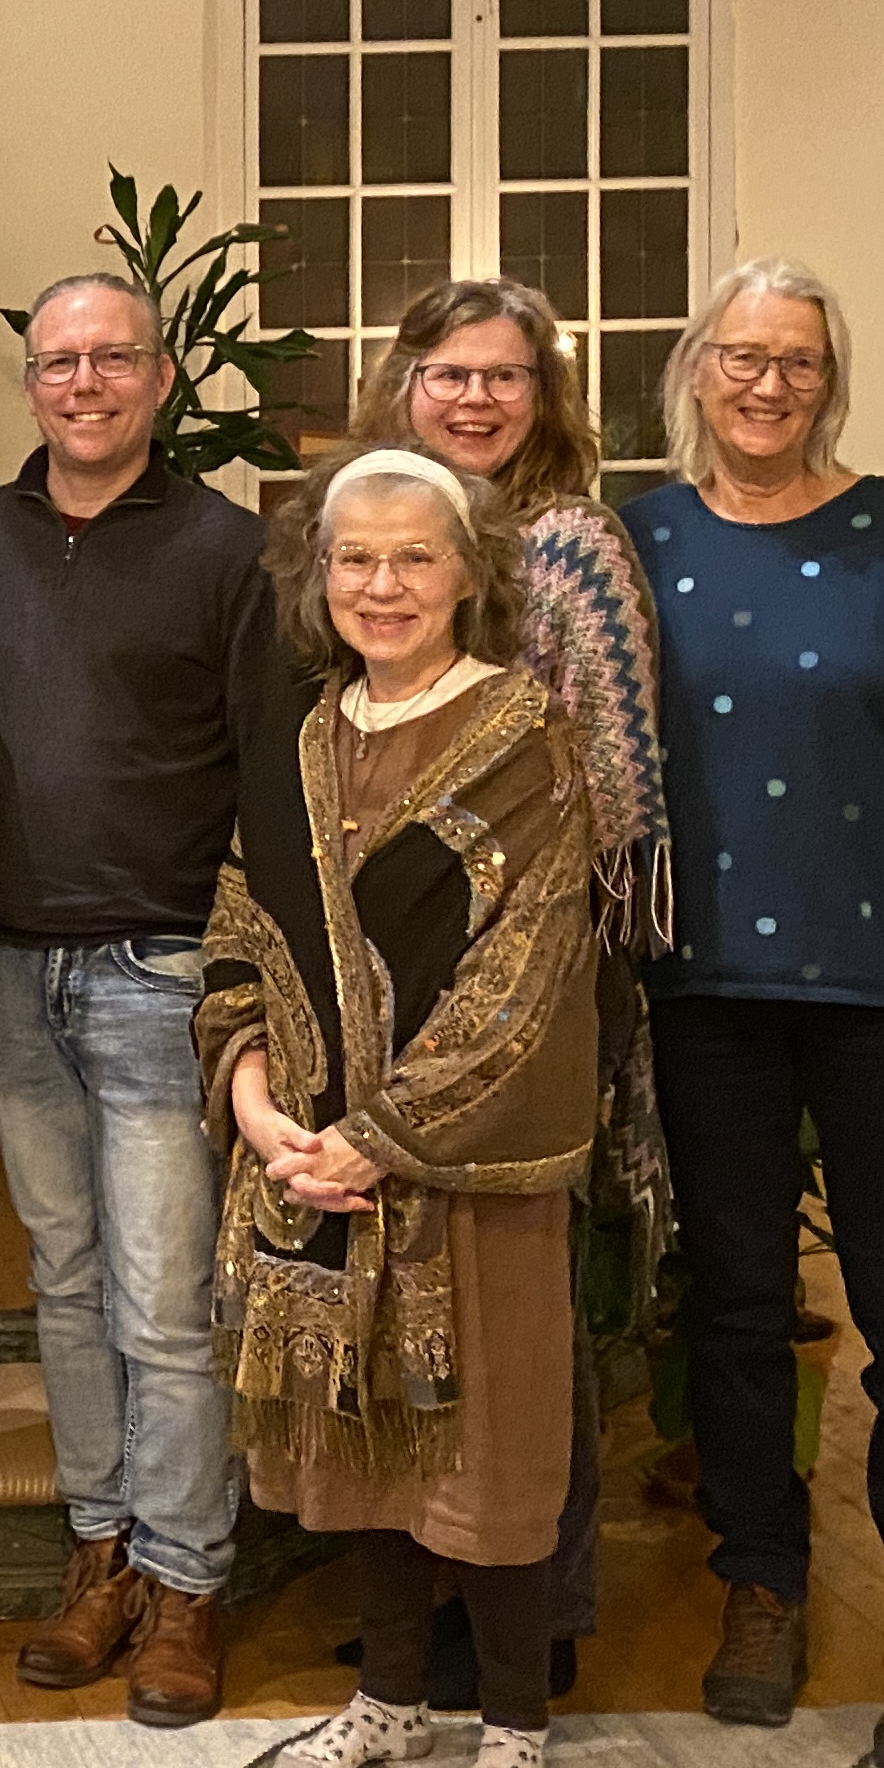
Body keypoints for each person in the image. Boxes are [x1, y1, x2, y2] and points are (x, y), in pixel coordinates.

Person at [629, 259, 884, 1768]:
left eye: (797, 361)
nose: (768, 384)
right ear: (696, 372)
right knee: (730, 1309)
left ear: (828, 380)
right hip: (700, 988)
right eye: (742, 356)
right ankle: (762, 1584)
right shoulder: (640, 540)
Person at [205, 448, 597, 1768]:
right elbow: (241, 933)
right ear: (323, 581)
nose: (383, 585)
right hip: (305, 1155)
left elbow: (528, 977)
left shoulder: (528, 736)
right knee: (353, 1435)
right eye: (356, 560)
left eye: (414, 558)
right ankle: (387, 1692)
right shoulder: (303, 737)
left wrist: (382, 1136)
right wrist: (257, 1103)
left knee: (486, 1448)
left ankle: (511, 1721)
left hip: (460, 1174)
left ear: (468, 576)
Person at [0, 272, 284, 1724]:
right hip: (9, 970)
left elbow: (270, 778)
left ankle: (191, 1582)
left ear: (163, 375)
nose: (85, 383)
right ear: (32, 388)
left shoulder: (227, 550)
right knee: (64, 1287)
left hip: (157, 969)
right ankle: (102, 1556)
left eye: (113, 358)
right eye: (60, 362)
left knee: (165, 1302)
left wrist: (250, 981)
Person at [349, 280, 670, 1692]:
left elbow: (609, 790)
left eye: (506, 377)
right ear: (402, 386)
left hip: (536, 977)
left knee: (525, 1310)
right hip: (380, 979)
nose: (475, 399)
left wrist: (515, 955)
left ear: (545, 402)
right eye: (447, 373)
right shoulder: (363, 528)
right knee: (394, 1284)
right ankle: (406, 1603)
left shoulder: (572, 549)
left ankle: (536, 1621)